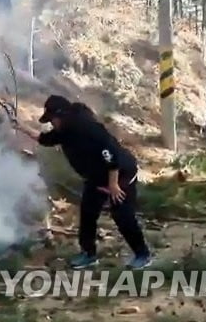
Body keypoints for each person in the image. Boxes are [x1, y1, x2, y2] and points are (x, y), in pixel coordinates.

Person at [15, 95, 152, 270]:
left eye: (52, 120)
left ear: (62, 115)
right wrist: (22, 127)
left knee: (122, 215)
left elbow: (110, 155)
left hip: (120, 175)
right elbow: (45, 139)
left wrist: (113, 185)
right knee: (88, 214)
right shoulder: (64, 131)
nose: (51, 124)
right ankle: (88, 253)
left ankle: (143, 254)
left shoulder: (87, 128)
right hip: (96, 178)